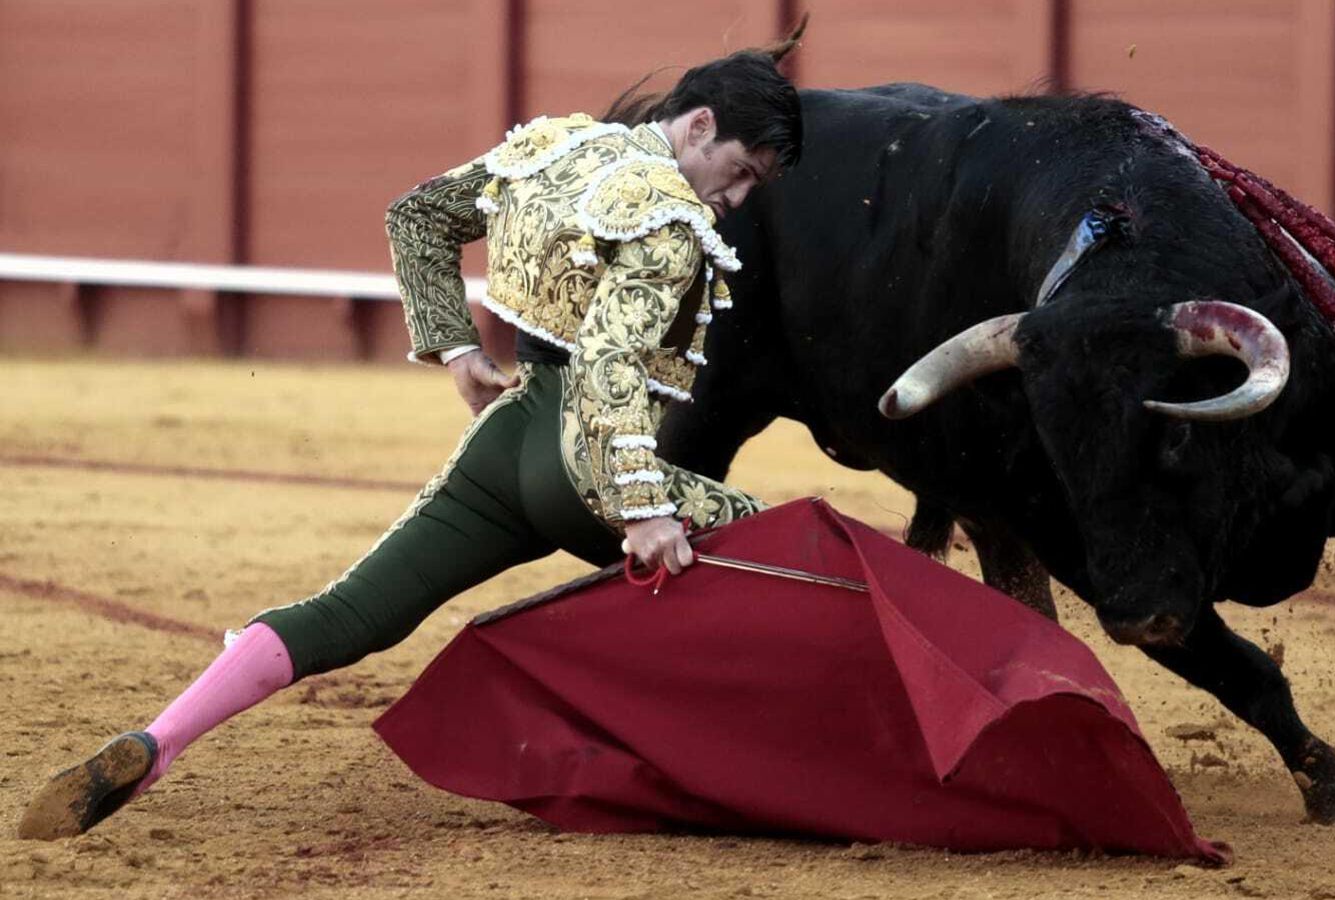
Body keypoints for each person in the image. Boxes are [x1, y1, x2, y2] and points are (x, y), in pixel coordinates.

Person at [19, 36, 804, 841]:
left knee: (352, 610)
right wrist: (641, 508)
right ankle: (782, 775)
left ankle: (161, 741)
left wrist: (459, 348)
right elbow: (607, 365)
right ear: (700, 125)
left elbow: (418, 215)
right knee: (791, 554)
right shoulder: (669, 220)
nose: (736, 199)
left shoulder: (555, 148)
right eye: (742, 171)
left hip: (507, 441)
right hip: (588, 466)